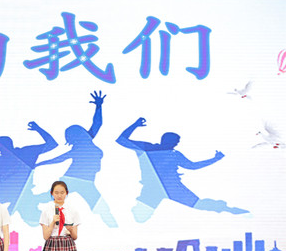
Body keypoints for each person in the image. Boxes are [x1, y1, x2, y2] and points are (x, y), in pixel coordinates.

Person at [116, 117, 248, 222]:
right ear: (166, 140)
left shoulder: (175, 154)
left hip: (172, 187)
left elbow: (192, 166)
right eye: (175, 141)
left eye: (177, 142)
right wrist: (135, 125)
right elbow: (121, 140)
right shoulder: (147, 148)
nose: (176, 144)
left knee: (198, 204)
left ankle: (227, 209)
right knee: (140, 218)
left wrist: (215, 159)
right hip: (153, 188)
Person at [35, 91, 117, 228]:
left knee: (101, 207)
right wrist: (41, 163)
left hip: (87, 181)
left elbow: (97, 123)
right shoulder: (79, 147)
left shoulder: (87, 141)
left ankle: (114, 228)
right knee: (54, 200)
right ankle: (40, 209)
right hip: (72, 179)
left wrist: (98, 106)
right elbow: (59, 159)